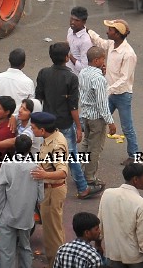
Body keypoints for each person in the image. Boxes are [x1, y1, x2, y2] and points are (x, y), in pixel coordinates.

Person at [35, 42, 87, 199]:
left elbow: (38, 98)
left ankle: (44, 184)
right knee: (71, 155)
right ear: (66, 58)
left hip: (47, 123)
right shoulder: (71, 78)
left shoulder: (43, 73)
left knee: (45, 153)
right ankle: (82, 187)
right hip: (64, 124)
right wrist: (79, 127)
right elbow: (73, 107)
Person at [0, 134, 42, 268]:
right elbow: (41, 197)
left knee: (7, 252)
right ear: (30, 149)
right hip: (26, 218)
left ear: (15, 147)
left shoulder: (7, 165)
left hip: (8, 216)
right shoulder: (36, 167)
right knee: (25, 247)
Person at [30, 111, 70, 262]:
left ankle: (55, 262)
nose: (32, 130)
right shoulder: (50, 138)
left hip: (53, 191)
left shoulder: (56, 145)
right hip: (48, 190)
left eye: (33, 128)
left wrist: (44, 175)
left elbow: (62, 172)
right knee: (53, 229)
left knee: (52, 232)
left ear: (42, 130)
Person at [98, 164, 143, 268]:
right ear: (135, 180)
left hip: (112, 255)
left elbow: (99, 224)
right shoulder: (141, 204)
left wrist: (98, 245)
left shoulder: (107, 194)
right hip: (134, 259)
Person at [0, 48, 37, 112]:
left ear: (9, 61)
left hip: (0, 119)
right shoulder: (28, 82)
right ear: (23, 64)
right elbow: (30, 107)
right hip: (19, 121)